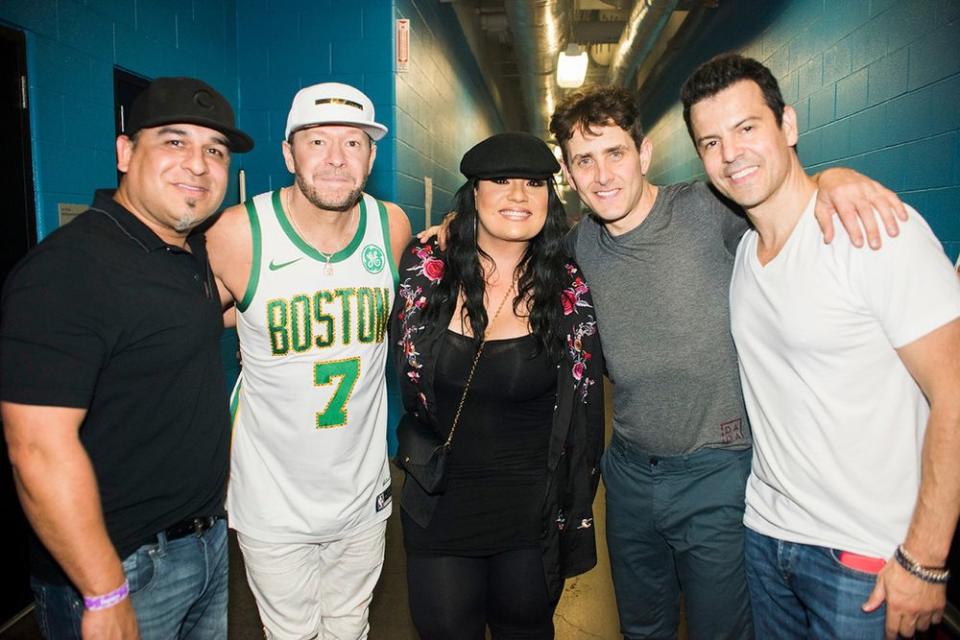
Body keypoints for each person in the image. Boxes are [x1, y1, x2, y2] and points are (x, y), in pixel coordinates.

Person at [545, 86, 909, 640]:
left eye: (615, 153)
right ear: (569, 175)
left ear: (643, 154)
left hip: (717, 470)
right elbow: (511, 251)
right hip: (628, 474)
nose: (602, 175)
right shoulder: (580, 246)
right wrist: (452, 234)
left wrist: (832, 179)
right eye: (584, 161)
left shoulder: (705, 210)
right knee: (643, 629)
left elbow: (788, 206)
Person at [682, 53, 960, 640]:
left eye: (747, 128)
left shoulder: (875, 232)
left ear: (788, 125)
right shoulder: (742, 260)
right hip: (765, 538)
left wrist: (925, 558)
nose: (731, 153)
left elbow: (955, 393)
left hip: (865, 558)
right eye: (710, 141)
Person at [1, 77, 253, 639]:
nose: (198, 164)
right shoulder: (69, 272)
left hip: (206, 544)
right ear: (124, 152)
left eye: (215, 150)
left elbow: (180, 330)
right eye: (173, 141)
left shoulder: (186, 254)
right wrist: (103, 590)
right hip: (125, 567)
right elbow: (38, 449)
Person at [206, 82, 411, 639]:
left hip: (362, 494)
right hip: (271, 500)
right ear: (288, 152)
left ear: (372, 156)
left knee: (351, 627)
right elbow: (184, 324)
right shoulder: (238, 234)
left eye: (354, 142)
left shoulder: (390, 227)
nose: (336, 159)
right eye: (317, 140)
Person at [391, 132, 605, 639]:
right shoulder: (425, 272)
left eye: (533, 183)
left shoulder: (568, 289)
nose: (518, 195)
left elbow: (586, 409)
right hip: (440, 507)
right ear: (474, 194)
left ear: (549, 198)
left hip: (529, 521)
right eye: (501, 181)